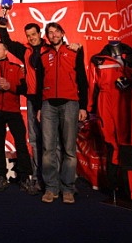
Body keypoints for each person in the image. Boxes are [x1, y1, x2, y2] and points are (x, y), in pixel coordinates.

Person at [87, 41, 132, 201]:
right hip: (105, 101)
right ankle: (113, 188)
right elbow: (92, 86)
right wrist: (90, 108)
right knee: (111, 145)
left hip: (126, 101)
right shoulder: (97, 60)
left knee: (129, 145)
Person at [39, 22, 88, 204]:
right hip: (48, 105)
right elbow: (39, 83)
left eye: (56, 32)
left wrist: (83, 106)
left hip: (70, 104)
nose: (53, 35)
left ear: (62, 33)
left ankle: (68, 188)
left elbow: (82, 79)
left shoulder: (74, 52)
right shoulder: (43, 56)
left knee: (69, 149)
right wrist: (39, 107)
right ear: (47, 37)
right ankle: (51, 188)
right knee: (48, 149)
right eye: (50, 33)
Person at [0, 21, 49, 191]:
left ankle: (53, 180)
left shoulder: (50, 49)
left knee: (51, 141)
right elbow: (7, 42)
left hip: (48, 100)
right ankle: (37, 177)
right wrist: (2, 23)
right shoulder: (25, 50)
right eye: (28, 36)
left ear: (40, 34)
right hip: (32, 99)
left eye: (34, 34)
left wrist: (76, 48)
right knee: (33, 139)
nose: (31, 38)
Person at [0, 41, 37, 194]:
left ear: (6, 51)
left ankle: (25, 177)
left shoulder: (17, 68)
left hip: (13, 111)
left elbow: (24, 88)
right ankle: (1, 177)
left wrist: (9, 87)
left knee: (21, 143)